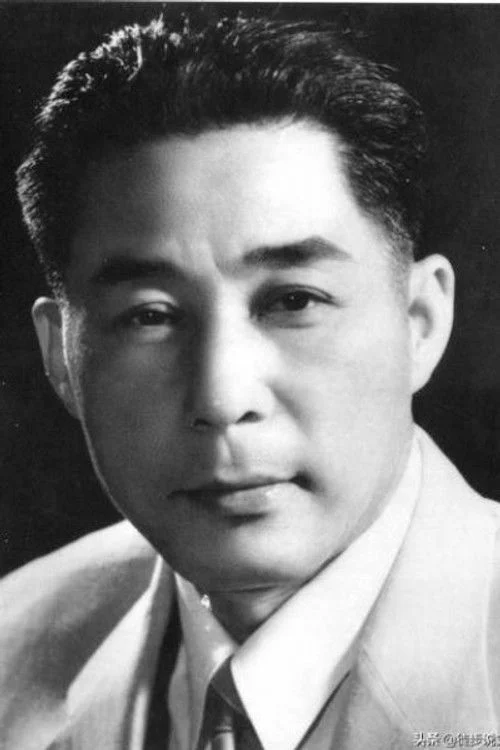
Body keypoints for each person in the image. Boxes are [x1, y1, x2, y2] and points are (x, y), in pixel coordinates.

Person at [1, 12, 499, 750]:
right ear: (61, 356)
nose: (222, 398)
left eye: (294, 301)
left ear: (420, 322)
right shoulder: (11, 645)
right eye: (149, 316)